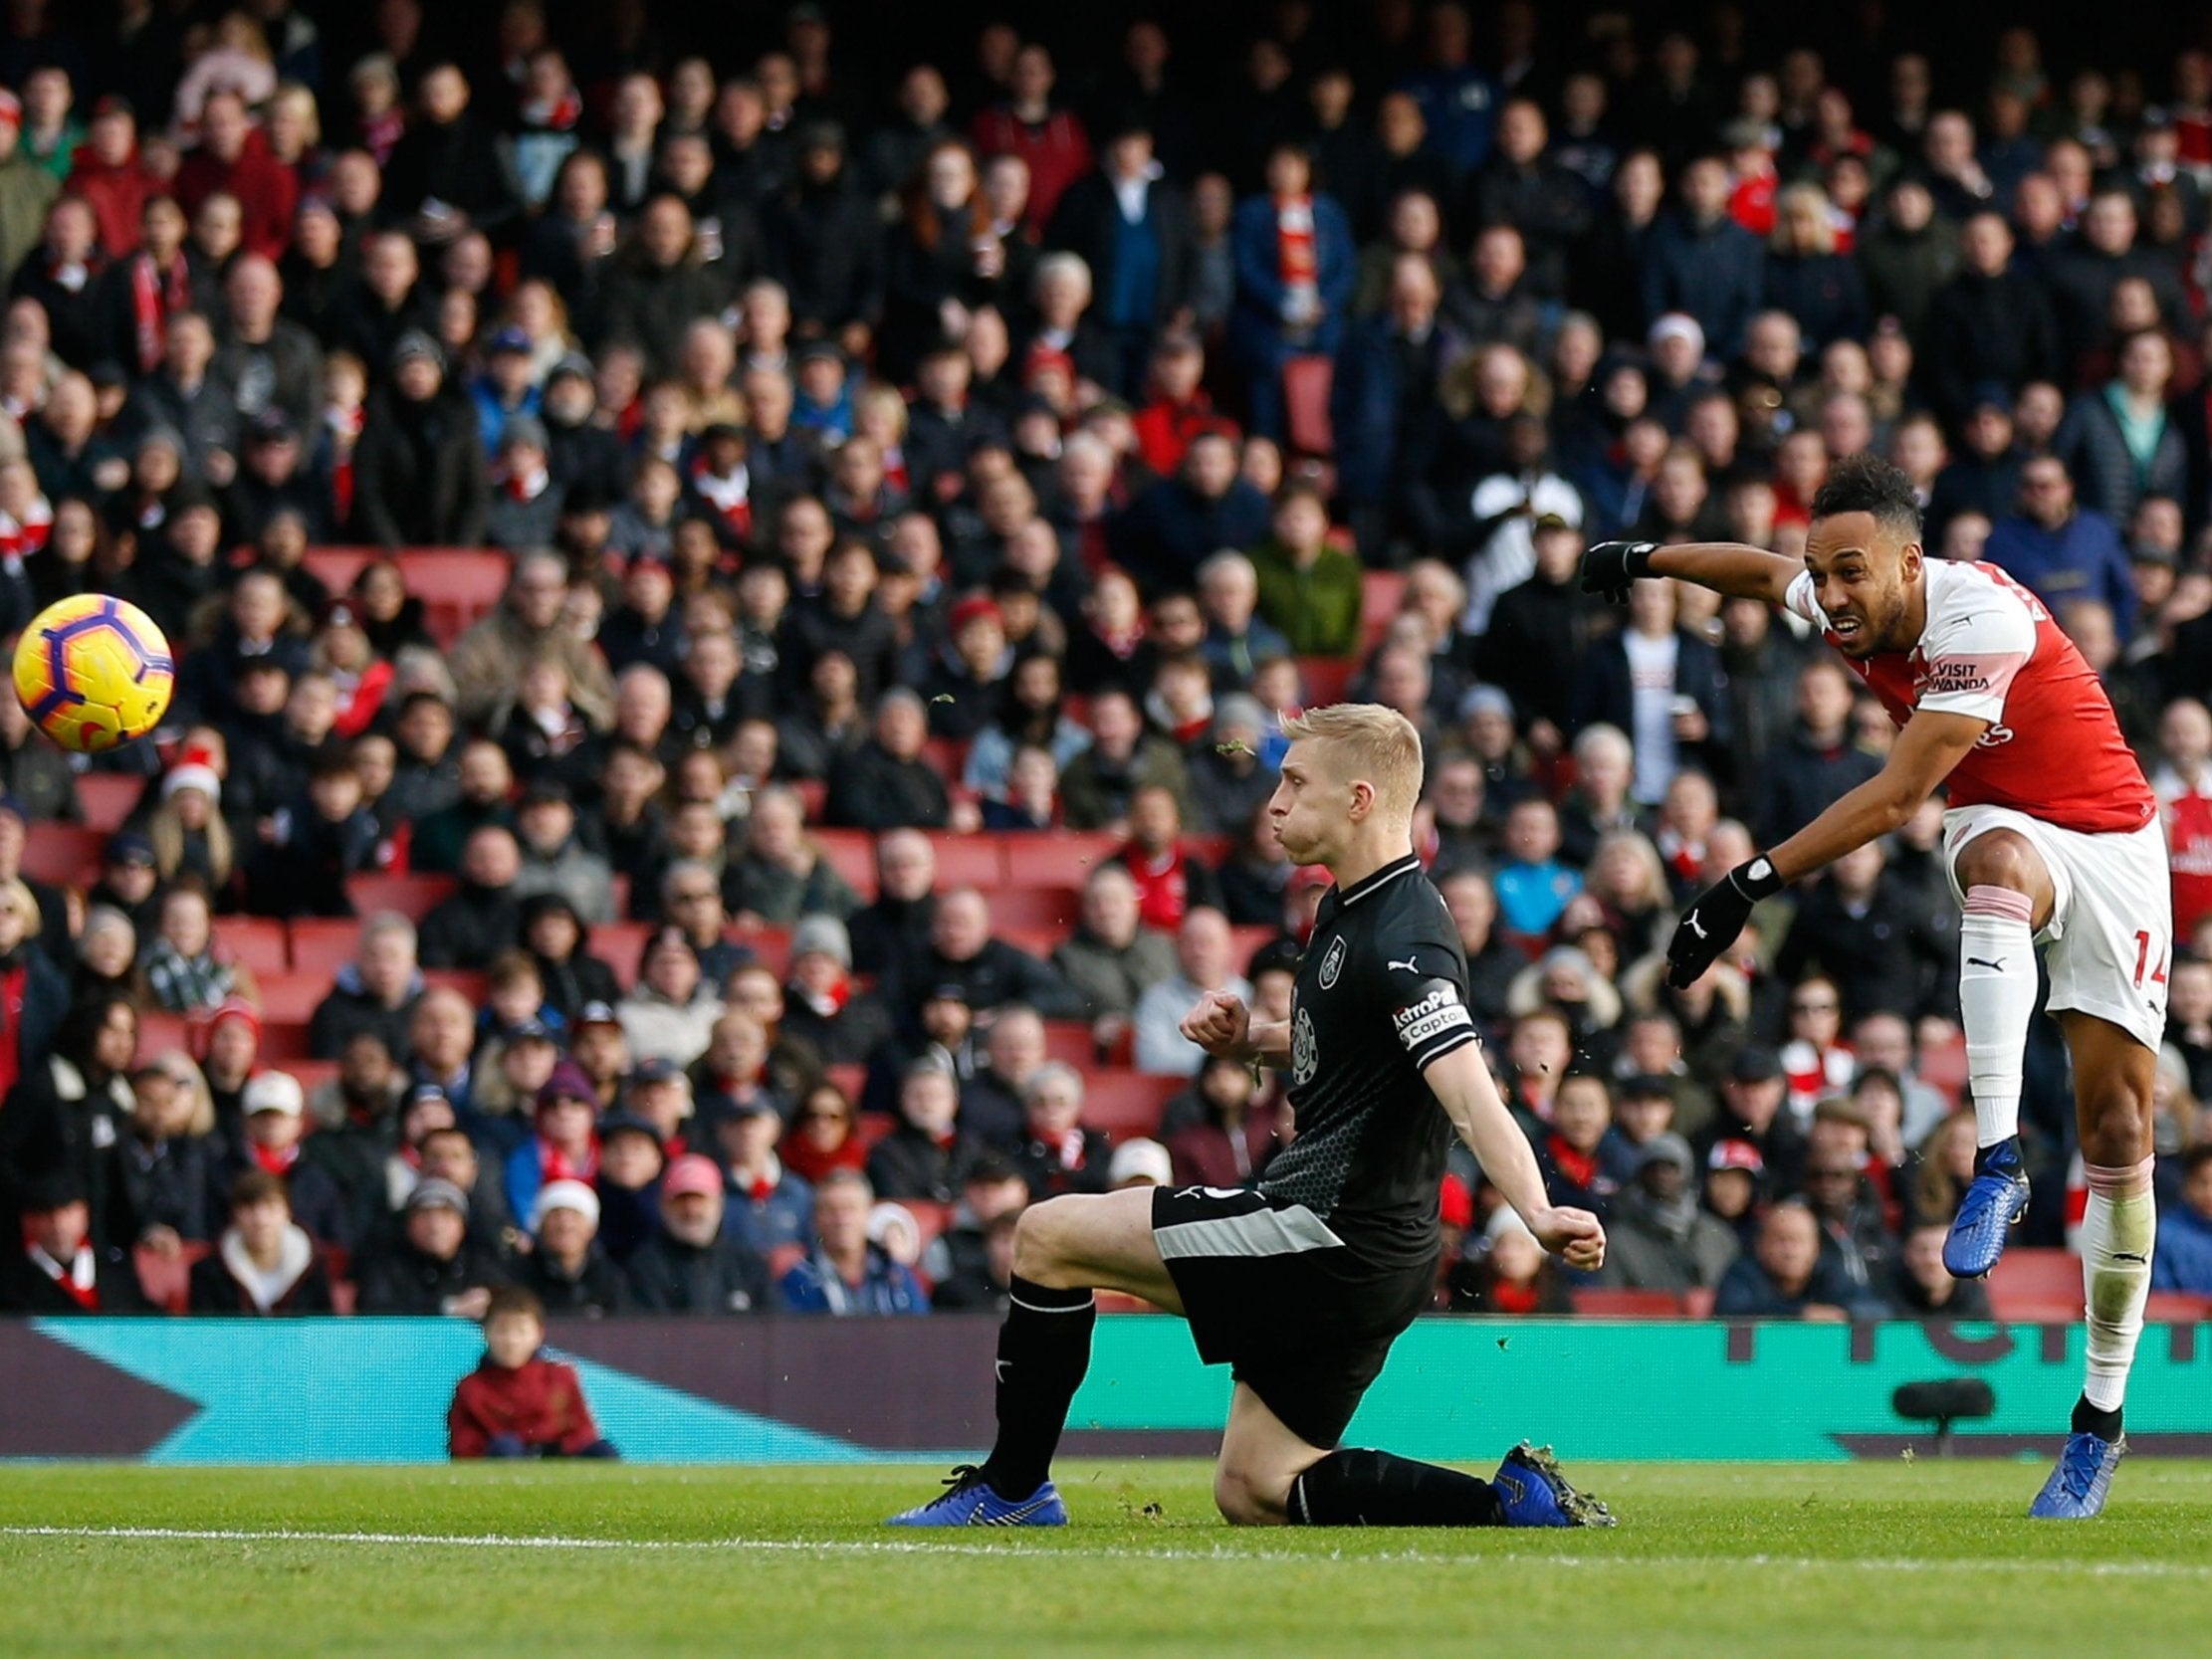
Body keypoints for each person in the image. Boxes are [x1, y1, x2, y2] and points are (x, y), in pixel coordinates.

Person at [1583, 452, 2167, 1517]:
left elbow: (1898, 792)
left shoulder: (1972, 618)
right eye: (1825, 573)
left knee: (2122, 1132)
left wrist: (1743, 881)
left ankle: (2097, 1420)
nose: (1831, 596)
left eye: (1850, 573)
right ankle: (1998, 1157)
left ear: (1908, 562)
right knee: (1990, 873)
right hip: (2006, 826)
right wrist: (1642, 555)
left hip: (2116, 846)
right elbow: (1760, 576)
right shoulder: (1841, 593)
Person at [888, 704, 1611, 1530]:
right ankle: (1506, 1505)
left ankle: (1014, 1487)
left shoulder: (1404, 940)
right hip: (1378, 1251)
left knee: (1049, 1236)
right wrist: (1254, 1040)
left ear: (1360, 800)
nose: (1273, 801)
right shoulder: (1360, 905)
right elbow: (1357, 1048)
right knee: (1257, 1487)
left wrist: (1538, 1210)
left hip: (1328, 1235)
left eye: (1295, 782)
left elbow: (1468, 1089)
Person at [448, 1286, 618, 1459]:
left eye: (521, 1331)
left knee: (603, 1451)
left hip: (560, 1459)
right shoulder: (471, 1388)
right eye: (501, 1330)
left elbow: (583, 1431)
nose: (511, 1341)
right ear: (486, 1334)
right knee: (505, 1448)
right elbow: (464, 1448)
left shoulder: (561, 1376)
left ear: (539, 1334)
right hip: (504, 1467)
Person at [779, 1167, 929, 1315]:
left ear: (868, 1213)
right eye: (831, 1210)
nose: (842, 1219)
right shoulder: (799, 1279)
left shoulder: (896, 1274)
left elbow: (919, 1330)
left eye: (850, 1208)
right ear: (816, 1219)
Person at [187, 1169, 336, 1315]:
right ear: (235, 1215)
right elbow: (204, 1335)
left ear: (287, 1213)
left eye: (271, 1208)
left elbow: (326, 1332)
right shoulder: (207, 1273)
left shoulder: (313, 1269)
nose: (261, 1220)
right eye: (249, 1209)